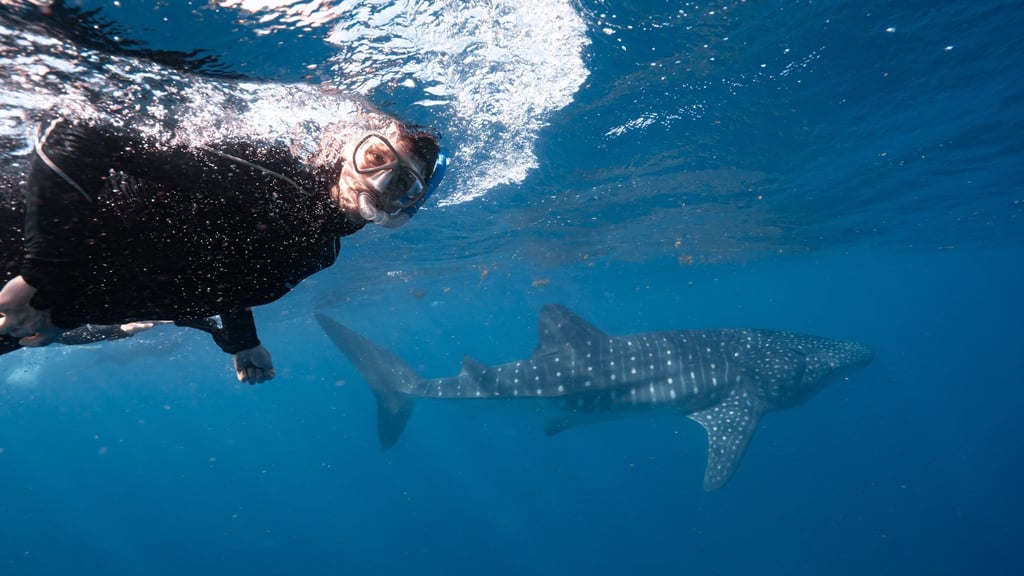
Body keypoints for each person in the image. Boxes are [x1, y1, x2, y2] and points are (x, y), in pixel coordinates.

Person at [0, 106, 446, 384]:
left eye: (401, 184)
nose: (378, 182)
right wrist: (44, 275)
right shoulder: (264, 175)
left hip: (38, 315)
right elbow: (80, 130)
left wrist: (239, 340)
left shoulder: (320, 250)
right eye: (375, 158)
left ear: (406, 207)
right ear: (350, 147)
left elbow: (221, 273)